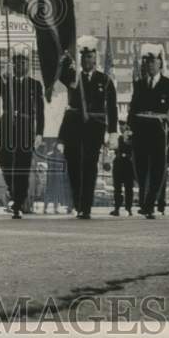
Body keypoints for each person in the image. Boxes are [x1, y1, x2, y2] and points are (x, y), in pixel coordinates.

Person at [58, 36, 118, 220]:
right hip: (74, 126)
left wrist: (113, 132)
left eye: (90, 57)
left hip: (94, 127)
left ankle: (86, 206)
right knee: (74, 166)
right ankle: (78, 202)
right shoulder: (73, 77)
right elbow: (60, 74)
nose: (87, 61)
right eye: (84, 57)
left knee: (89, 166)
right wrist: (65, 58)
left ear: (95, 59)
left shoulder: (105, 80)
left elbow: (112, 108)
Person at [127, 44, 169, 219]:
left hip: (159, 130)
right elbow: (132, 109)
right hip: (140, 130)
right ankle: (147, 201)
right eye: (146, 61)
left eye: (153, 61)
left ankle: (149, 205)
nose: (149, 65)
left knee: (158, 169)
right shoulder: (139, 84)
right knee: (140, 169)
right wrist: (128, 129)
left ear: (161, 63)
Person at [0, 42, 45, 220]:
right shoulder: (8, 81)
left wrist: (39, 133)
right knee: (4, 160)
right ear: (13, 64)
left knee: (22, 165)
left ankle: (18, 203)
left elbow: (40, 111)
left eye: (23, 62)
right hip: (7, 126)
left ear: (27, 65)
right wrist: (3, 77)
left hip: (25, 127)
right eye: (16, 62)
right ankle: (12, 190)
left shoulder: (34, 85)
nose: (20, 65)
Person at [111, 122, 136, 216]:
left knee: (128, 188)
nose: (121, 127)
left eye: (123, 125)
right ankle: (117, 208)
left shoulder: (132, 138)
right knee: (117, 188)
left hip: (128, 165)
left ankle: (128, 208)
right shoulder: (119, 138)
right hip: (118, 164)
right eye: (120, 125)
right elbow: (114, 148)